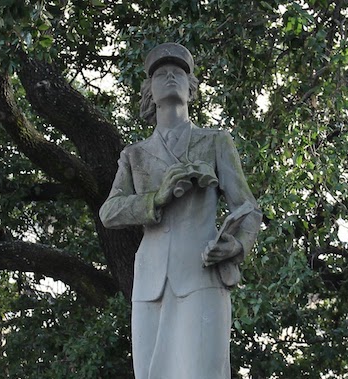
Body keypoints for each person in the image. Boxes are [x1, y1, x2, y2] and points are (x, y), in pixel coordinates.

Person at [99, 42, 262, 379]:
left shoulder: (215, 140)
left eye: (179, 73)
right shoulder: (136, 154)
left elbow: (247, 208)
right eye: (161, 74)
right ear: (150, 92)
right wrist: (155, 199)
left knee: (203, 370)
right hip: (151, 279)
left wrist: (237, 245)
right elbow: (109, 211)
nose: (170, 76)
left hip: (202, 272)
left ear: (191, 90)